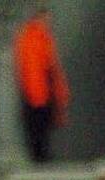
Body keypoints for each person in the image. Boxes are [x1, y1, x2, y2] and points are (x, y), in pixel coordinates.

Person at [13, 5, 69, 164]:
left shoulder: (36, 37)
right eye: (46, 19)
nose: (48, 22)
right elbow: (38, 67)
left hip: (39, 91)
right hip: (37, 92)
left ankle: (40, 157)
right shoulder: (34, 37)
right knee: (38, 128)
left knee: (39, 128)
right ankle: (40, 157)